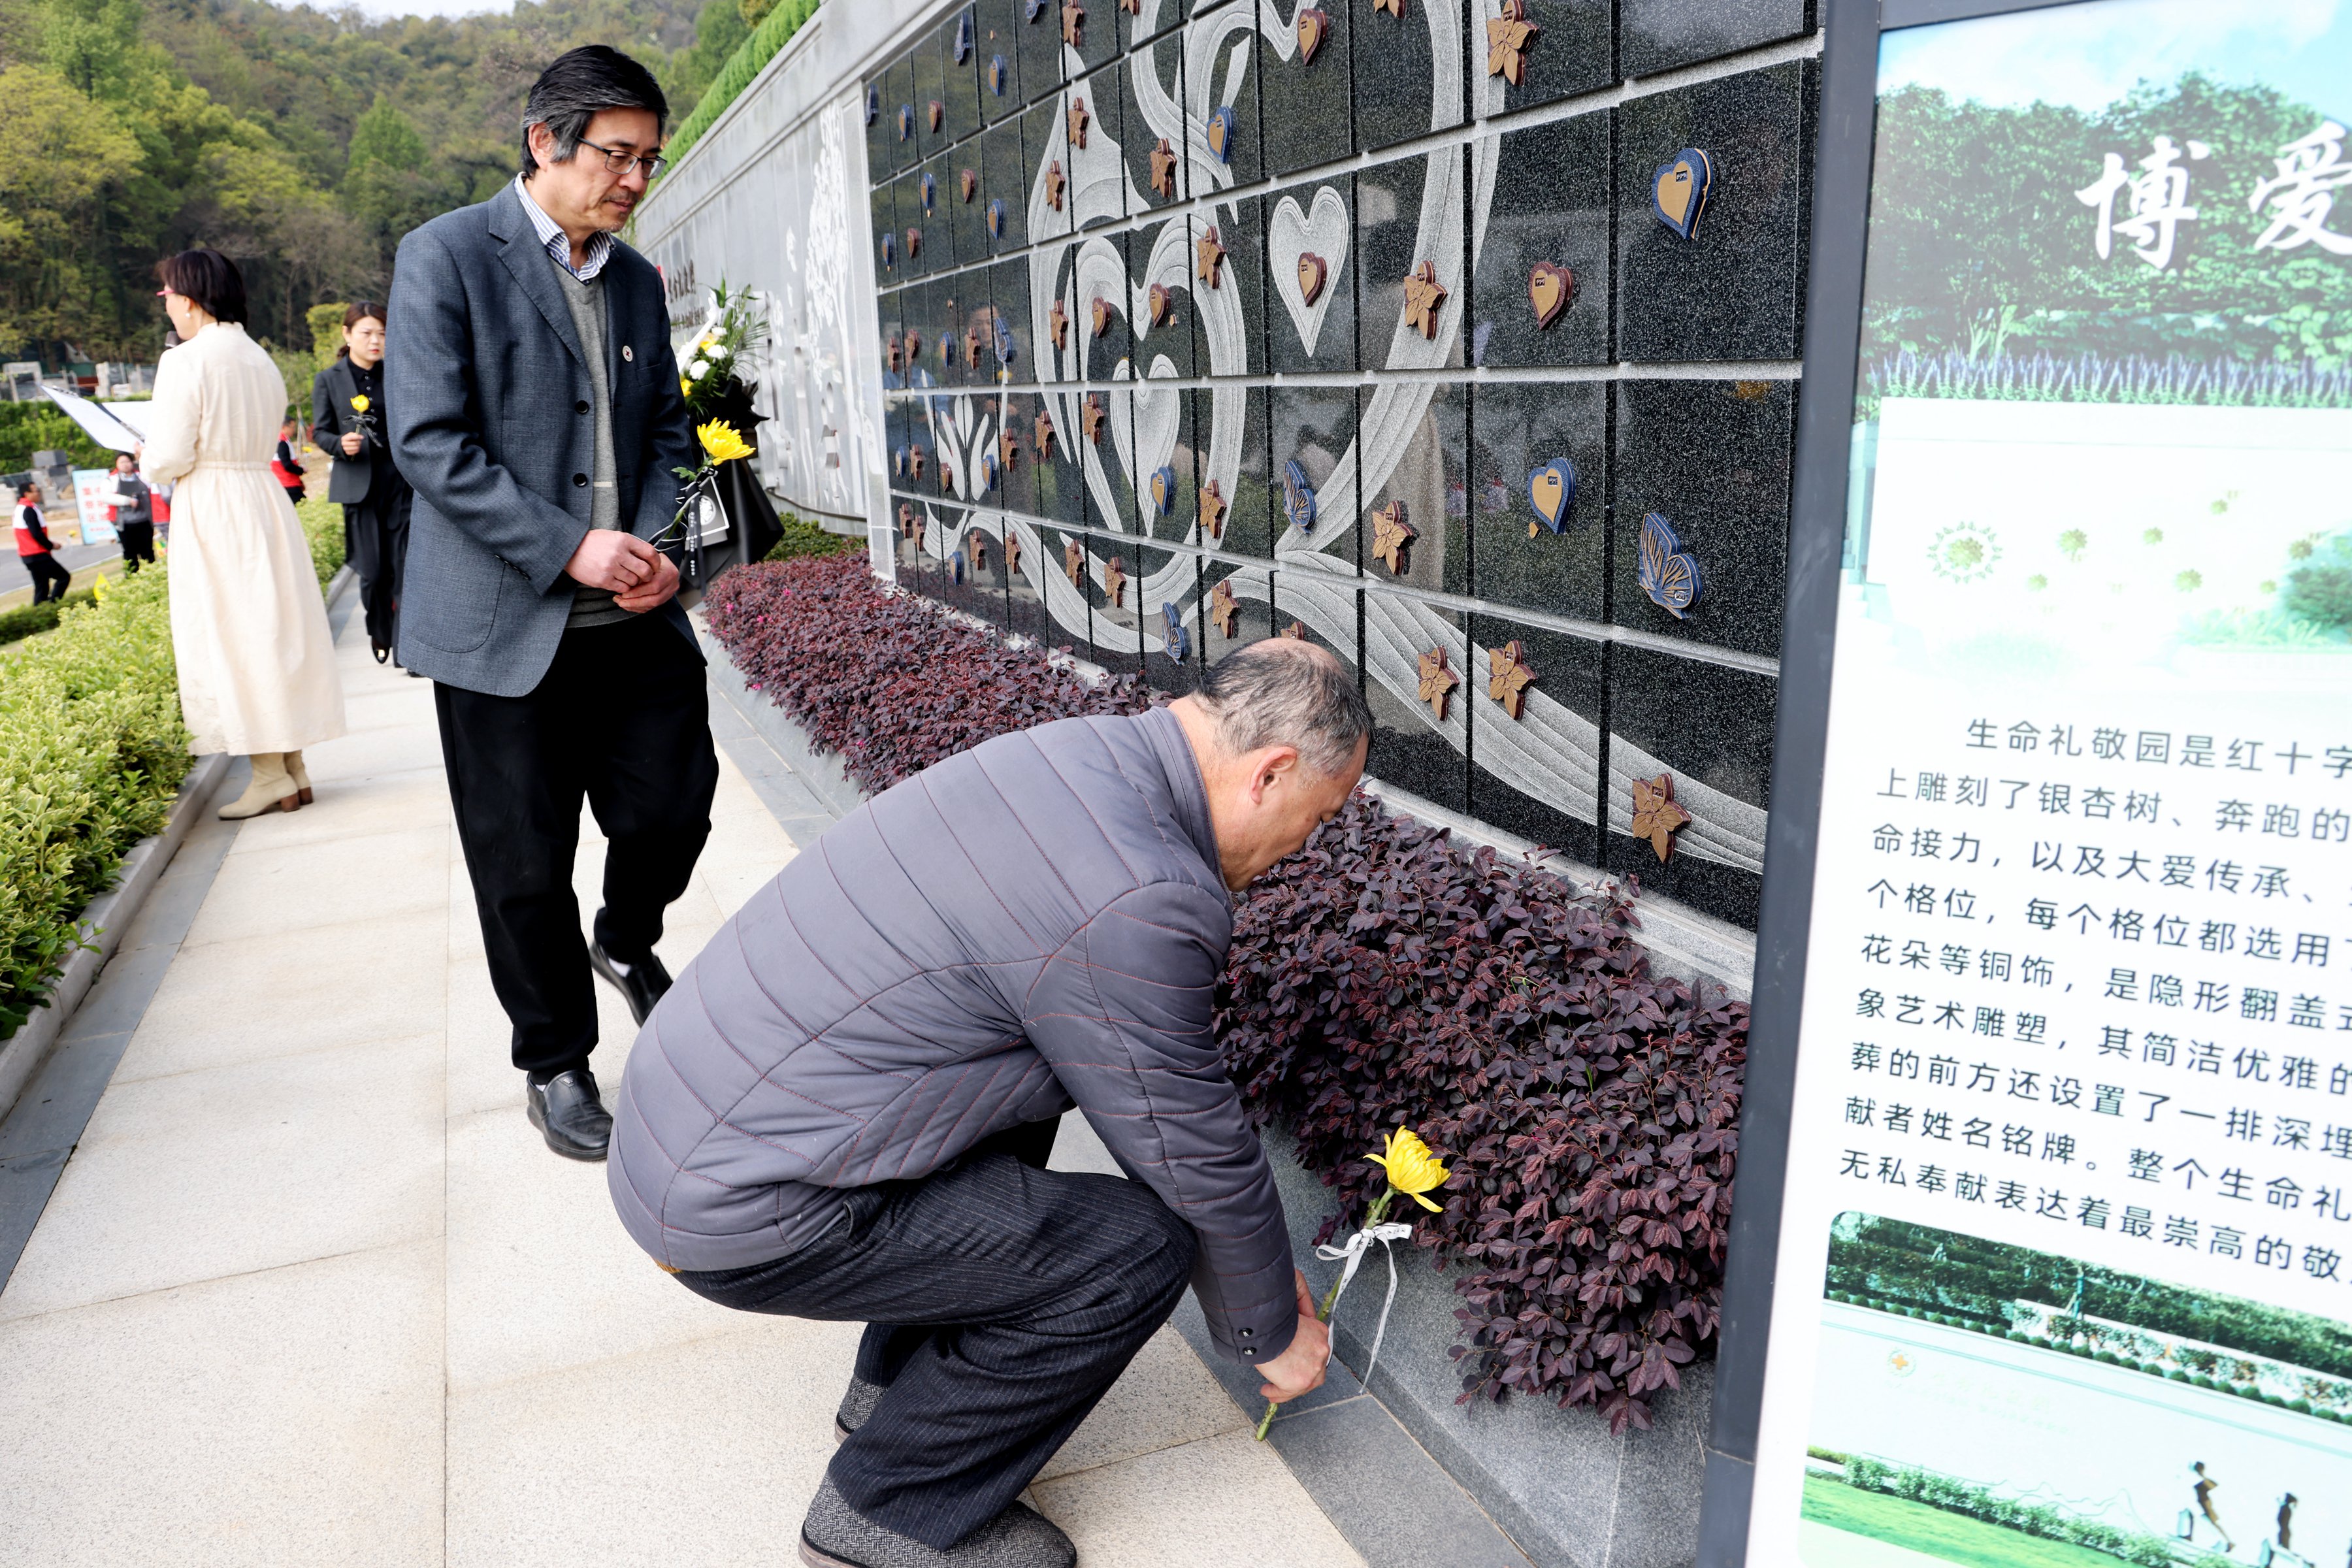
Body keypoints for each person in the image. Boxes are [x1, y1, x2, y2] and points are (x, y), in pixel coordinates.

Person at [609, 638, 1373, 1568]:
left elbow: (1147, 1101)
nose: (1305, 846)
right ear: (1272, 772)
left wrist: (1259, 1274)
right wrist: (1268, 1328)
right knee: (1136, 1250)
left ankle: (893, 1396)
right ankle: (886, 1512)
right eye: (1318, 816)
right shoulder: (1142, 892)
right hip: (737, 1202)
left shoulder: (1078, 755)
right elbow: (1189, 1142)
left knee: (1037, 1077)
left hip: (685, 1132)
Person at [388, 44, 711, 1163]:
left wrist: (657, 543)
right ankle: (556, 1061)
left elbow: (668, 432)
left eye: (648, 159)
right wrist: (568, 546)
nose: (634, 178)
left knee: (673, 810)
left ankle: (624, 938)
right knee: (521, 863)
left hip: (633, 619)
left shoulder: (635, 280)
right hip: (500, 627)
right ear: (545, 142)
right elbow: (429, 439)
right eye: (618, 155)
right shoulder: (445, 257)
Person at [145, 248, 346, 819]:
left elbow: (166, 458)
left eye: (167, 296)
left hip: (214, 503)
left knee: (234, 633)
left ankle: (268, 774)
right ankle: (292, 767)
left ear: (188, 299)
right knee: (273, 628)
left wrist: (147, 453)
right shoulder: (258, 357)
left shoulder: (184, 361)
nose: (167, 308)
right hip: (262, 498)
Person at [312, 301, 412, 664]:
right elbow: (320, 431)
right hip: (359, 487)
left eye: (382, 334)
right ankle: (380, 632)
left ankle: (407, 650)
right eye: (367, 333)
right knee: (372, 572)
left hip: (401, 485)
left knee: (405, 568)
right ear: (347, 334)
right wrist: (340, 445)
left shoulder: (399, 373)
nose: (375, 341)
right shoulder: (329, 379)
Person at [13, 481, 70, 604]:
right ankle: (53, 605)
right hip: (37, 555)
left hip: (29, 555)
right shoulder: (28, 509)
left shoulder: (22, 507)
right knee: (63, 577)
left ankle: (42, 609)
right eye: (36, 491)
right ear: (27, 493)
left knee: (42, 586)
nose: (39, 493)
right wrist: (51, 545)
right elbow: (36, 534)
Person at [108, 451, 155, 573]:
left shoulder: (142, 476)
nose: (125, 465)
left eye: (127, 461)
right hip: (125, 523)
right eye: (122, 462)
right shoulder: (111, 480)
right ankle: (132, 577)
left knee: (147, 551)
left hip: (144, 521)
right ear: (117, 464)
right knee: (129, 553)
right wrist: (127, 501)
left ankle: (152, 574)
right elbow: (106, 497)